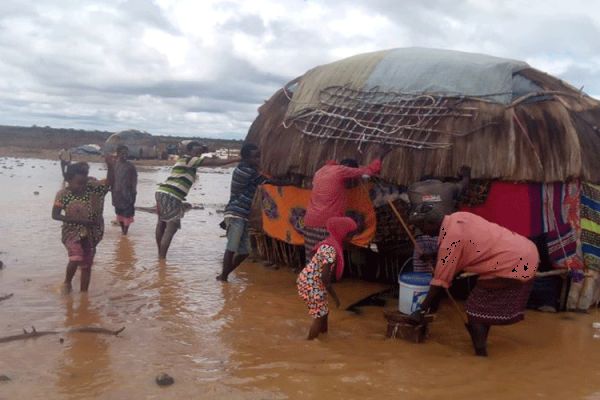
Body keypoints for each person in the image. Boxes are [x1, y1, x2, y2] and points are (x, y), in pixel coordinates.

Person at [408, 209, 539, 357]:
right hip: (527, 251)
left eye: (421, 226)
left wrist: (420, 310)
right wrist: (434, 256)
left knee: (474, 310)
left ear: (431, 223)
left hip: (512, 263)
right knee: (483, 309)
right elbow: (468, 244)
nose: (421, 231)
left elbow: (440, 282)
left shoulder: (450, 242)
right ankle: (481, 344)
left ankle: (481, 355)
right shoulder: (459, 217)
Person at [155, 141, 240, 259]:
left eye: (199, 152)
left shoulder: (186, 160)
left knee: (162, 223)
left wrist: (202, 149)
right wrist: (236, 159)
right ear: (189, 151)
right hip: (172, 195)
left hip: (162, 192)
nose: (198, 154)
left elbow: (207, 156)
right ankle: (162, 259)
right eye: (196, 151)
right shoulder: (189, 160)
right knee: (172, 226)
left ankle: (160, 254)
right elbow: (213, 163)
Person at [217, 143, 287, 281]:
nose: (258, 160)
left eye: (259, 157)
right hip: (236, 213)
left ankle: (223, 275)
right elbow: (269, 181)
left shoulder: (247, 169)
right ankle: (224, 278)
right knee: (232, 247)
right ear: (246, 158)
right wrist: (291, 182)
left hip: (242, 214)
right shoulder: (246, 171)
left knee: (244, 252)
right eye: (255, 157)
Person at [52, 158, 114, 292]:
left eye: (84, 183)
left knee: (86, 265)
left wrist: (110, 166)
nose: (81, 187)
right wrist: (80, 221)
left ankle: (84, 294)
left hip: (91, 233)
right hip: (71, 233)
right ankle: (67, 283)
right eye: (78, 183)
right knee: (75, 258)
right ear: (68, 180)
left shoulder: (93, 189)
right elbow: (55, 215)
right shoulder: (62, 194)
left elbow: (109, 183)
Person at [303, 158, 382, 261]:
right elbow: (368, 171)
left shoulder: (320, 171)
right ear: (348, 168)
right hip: (326, 224)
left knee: (312, 260)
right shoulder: (341, 170)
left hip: (310, 222)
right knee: (327, 263)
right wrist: (379, 159)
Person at [297, 217, 357, 340]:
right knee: (319, 316)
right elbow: (325, 277)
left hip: (310, 280)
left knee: (324, 312)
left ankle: (323, 337)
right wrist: (335, 297)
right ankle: (310, 343)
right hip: (311, 282)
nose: (350, 239)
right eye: (349, 235)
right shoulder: (331, 249)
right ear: (342, 232)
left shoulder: (329, 243)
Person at [408, 166, 471, 273]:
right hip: (444, 236)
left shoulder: (413, 189)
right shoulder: (448, 187)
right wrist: (466, 175)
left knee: (421, 272)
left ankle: (422, 289)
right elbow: (463, 185)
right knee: (444, 271)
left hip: (422, 236)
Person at [112, 145, 138, 235]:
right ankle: (123, 232)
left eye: (126, 153)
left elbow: (134, 180)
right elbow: (111, 178)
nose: (125, 155)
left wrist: (134, 192)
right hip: (117, 194)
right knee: (119, 213)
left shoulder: (130, 166)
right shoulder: (114, 164)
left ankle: (125, 232)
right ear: (118, 154)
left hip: (128, 194)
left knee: (127, 214)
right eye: (123, 153)